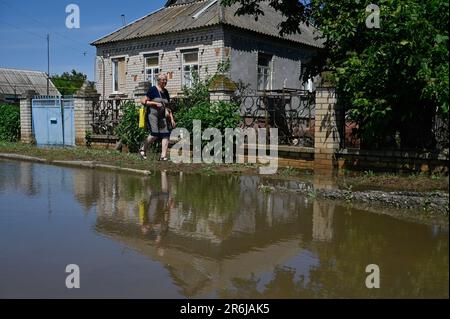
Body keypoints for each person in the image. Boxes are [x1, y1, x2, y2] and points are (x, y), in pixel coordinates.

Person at [140, 73, 176, 161]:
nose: (165, 81)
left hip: (162, 116)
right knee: (154, 134)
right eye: (163, 80)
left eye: (166, 80)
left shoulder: (166, 92)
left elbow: (167, 107)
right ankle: (142, 148)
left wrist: (171, 118)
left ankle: (163, 156)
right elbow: (143, 101)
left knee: (166, 134)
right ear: (158, 81)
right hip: (152, 115)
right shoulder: (153, 90)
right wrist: (155, 103)